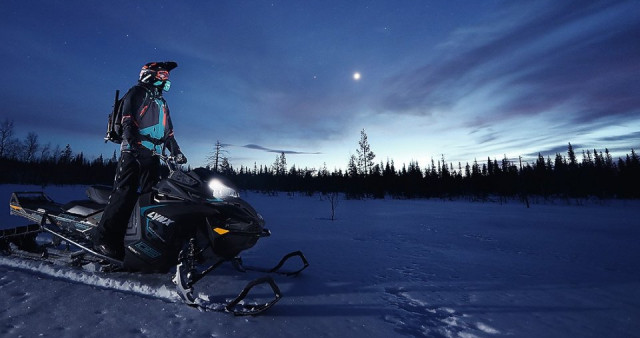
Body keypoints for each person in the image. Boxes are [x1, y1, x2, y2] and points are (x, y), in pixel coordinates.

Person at [94, 61, 187, 259]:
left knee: (150, 197)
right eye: (162, 75)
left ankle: (144, 240)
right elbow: (127, 119)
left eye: (167, 76)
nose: (166, 79)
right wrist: (133, 142)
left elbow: (168, 133)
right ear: (149, 74)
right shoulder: (137, 92)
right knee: (124, 192)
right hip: (133, 152)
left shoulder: (161, 102)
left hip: (153, 156)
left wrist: (176, 151)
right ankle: (104, 239)